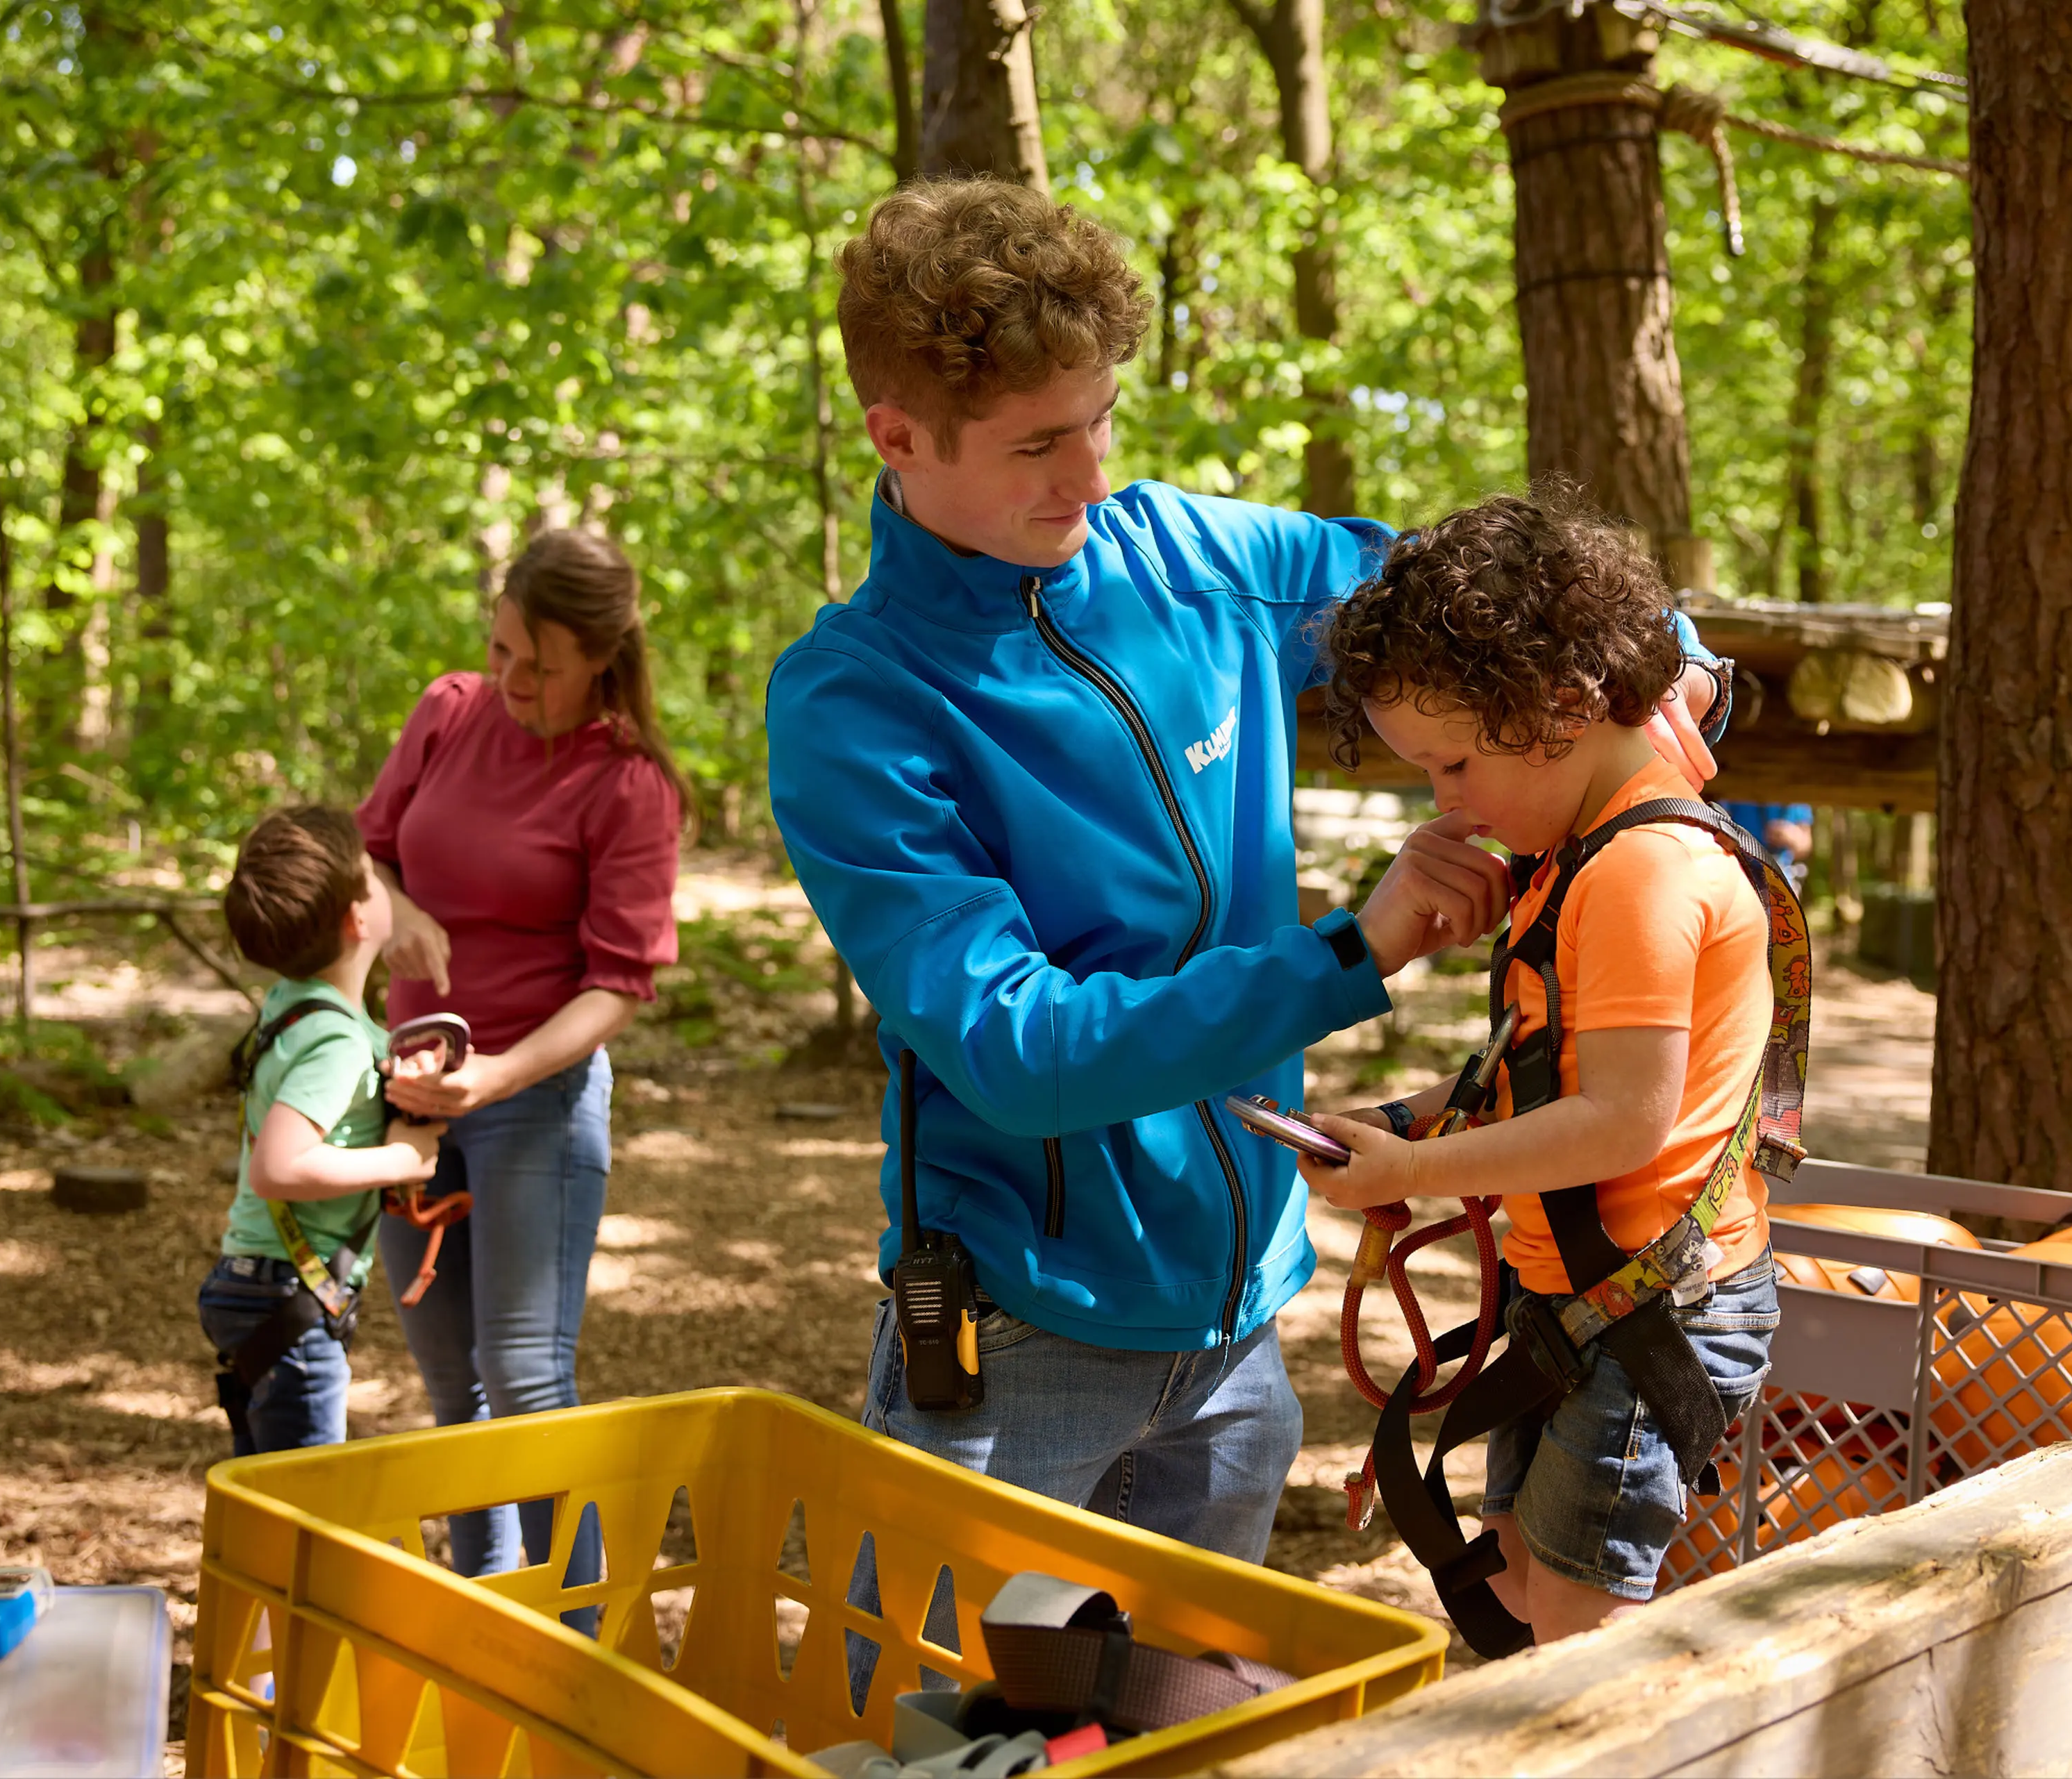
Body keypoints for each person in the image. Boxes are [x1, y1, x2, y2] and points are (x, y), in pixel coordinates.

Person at [764, 178, 1731, 1588]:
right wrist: (1355, 949)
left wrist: (1666, 653)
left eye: (1101, 419)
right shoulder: (858, 700)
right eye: (1038, 444)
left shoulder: (1193, 561)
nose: (1089, 478)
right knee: (943, 1736)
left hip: (1239, 1337)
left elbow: (1478, 589)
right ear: (896, 438)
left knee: (1191, 1726)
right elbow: (1019, 1052)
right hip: (1022, 1336)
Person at [1298, 487, 1782, 1646]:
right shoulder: (1578, 857)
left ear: (1561, 707)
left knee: (1579, 1630)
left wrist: (1410, 1174)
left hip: (1654, 1305)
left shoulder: (1638, 871)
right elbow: (1550, 1081)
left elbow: (1621, 1122)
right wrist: (1410, 1124)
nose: (1444, 802)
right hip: (1581, 1296)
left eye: (1455, 764)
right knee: (1517, 1583)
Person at [358, 530, 683, 1601]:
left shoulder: (627, 783)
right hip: (410, 1097)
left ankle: (581, 1634)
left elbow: (619, 984)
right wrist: (397, 909)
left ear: (601, 655)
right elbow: (369, 848)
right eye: (501, 649)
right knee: (454, 1388)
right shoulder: (450, 711)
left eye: (539, 665)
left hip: (532, 1099)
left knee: (528, 1378)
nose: (513, 681)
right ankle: (484, 1609)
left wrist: (495, 1077)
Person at [201, 805, 445, 1456]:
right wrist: (402, 1159)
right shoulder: (336, 1039)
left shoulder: (297, 1008)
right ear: (359, 917)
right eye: (372, 876)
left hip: (258, 1282)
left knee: (269, 1496)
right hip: (288, 1292)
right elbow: (279, 1168)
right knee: (306, 1508)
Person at [1719, 800, 1812, 893]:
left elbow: (1806, 845)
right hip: (1739, 873)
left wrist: (1793, 835)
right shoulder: (1737, 790)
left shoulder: (1797, 793)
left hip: (1780, 875)